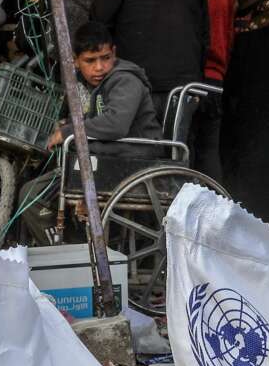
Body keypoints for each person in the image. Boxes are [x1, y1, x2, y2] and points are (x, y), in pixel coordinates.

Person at [17, 21, 163, 246]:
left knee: (31, 197)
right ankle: (77, 249)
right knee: (31, 193)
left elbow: (116, 124)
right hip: (110, 157)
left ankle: (74, 253)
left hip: (132, 160)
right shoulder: (102, 84)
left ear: (114, 53)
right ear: (75, 61)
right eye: (90, 61)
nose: (99, 67)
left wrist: (69, 131)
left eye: (105, 58)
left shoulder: (125, 80)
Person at [92, 0, 210, 117]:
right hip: (182, 87)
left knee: (133, 141)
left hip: (134, 84)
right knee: (176, 141)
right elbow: (203, 34)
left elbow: (99, 26)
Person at [174, 0, 236, 182]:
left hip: (189, 77)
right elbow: (229, 37)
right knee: (210, 150)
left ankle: (182, 208)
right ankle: (215, 209)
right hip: (217, 78)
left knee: (182, 148)